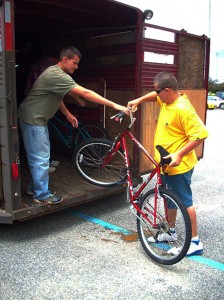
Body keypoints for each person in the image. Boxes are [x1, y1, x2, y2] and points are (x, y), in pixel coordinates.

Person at [18, 46, 129, 205]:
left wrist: (68, 114)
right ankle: (41, 195)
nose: (76, 67)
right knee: (41, 157)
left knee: (41, 155)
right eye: (75, 63)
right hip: (33, 120)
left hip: (35, 118)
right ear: (64, 60)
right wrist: (114, 105)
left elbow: (55, 96)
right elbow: (85, 93)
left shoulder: (54, 73)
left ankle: (34, 188)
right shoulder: (56, 74)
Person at [128, 71, 208, 256]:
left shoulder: (182, 108)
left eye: (157, 92)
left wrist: (179, 154)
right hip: (165, 164)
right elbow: (152, 96)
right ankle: (170, 231)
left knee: (185, 201)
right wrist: (138, 101)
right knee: (168, 198)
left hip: (178, 166)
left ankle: (195, 242)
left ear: (167, 90)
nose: (155, 95)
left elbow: (201, 134)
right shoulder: (166, 100)